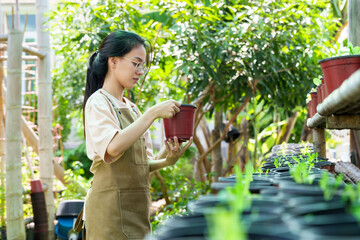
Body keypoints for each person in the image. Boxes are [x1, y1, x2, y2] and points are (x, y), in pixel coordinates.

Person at [82, 30, 193, 240]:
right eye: (136, 63)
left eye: (142, 65)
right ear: (113, 62)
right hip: (109, 214)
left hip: (137, 212)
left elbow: (139, 164)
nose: (140, 71)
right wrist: (153, 113)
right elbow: (113, 147)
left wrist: (167, 161)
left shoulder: (132, 109)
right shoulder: (98, 102)